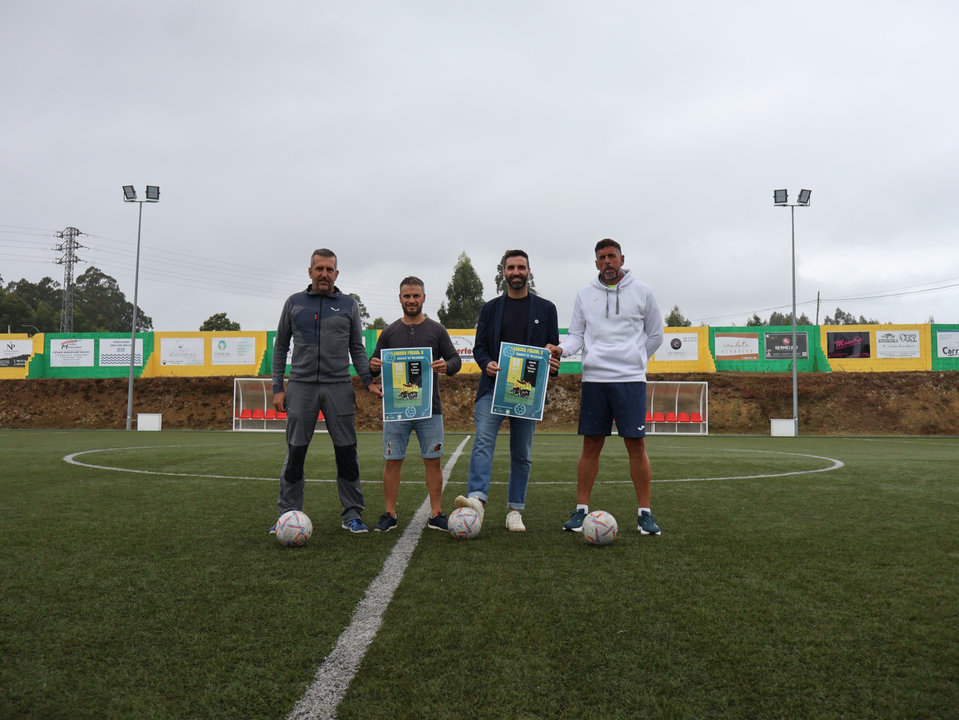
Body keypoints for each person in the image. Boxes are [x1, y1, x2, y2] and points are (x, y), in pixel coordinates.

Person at [547, 238, 665, 535]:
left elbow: (655, 335)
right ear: (596, 263)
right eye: (601, 258)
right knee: (590, 446)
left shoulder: (643, 291)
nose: (607, 262)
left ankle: (645, 514)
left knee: (636, 447)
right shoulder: (585, 294)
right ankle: (581, 511)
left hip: (630, 381)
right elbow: (576, 336)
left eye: (612, 256)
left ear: (622, 259)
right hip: (595, 380)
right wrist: (562, 350)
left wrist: (634, 359)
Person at [270, 248, 383, 535]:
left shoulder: (348, 305)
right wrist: (278, 388)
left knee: (346, 452)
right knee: (296, 452)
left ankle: (352, 513)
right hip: (301, 387)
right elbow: (281, 346)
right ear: (310, 272)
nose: (324, 274)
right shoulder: (294, 303)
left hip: (339, 388)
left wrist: (368, 380)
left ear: (336, 273)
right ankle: (288, 513)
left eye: (329, 269)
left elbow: (357, 348)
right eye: (318, 269)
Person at [454, 249, 560, 532]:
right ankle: (477, 499)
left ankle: (515, 510)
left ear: (529, 270)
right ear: (503, 272)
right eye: (511, 267)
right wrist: (486, 363)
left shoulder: (546, 309)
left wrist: (552, 363)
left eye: (521, 267)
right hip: (493, 388)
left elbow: (553, 353)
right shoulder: (489, 309)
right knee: (483, 443)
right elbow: (479, 348)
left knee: (521, 452)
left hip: (527, 393)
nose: (516, 272)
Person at [368, 276, 462, 532]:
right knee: (392, 461)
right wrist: (372, 366)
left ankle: (436, 513)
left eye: (416, 296)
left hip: (429, 409)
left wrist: (447, 366)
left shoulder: (436, 330)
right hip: (396, 409)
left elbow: (456, 360)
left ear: (423, 298)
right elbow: (373, 365)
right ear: (400, 298)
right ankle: (389, 513)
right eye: (407, 296)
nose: (411, 300)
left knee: (433, 460)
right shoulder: (389, 331)